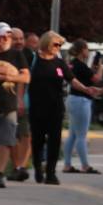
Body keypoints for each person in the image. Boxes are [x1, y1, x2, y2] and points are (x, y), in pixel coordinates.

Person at [64, 40, 103, 173]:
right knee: (81, 135)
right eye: (87, 49)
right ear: (82, 50)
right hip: (81, 101)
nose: (88, 52)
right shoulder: (81, 65)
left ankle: (67, 164)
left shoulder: (72, 64)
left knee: (72, 134)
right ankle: (85, 165)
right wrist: (101, 68)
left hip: (72, 99)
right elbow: (97, 79)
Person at [25, 31, 73, 184]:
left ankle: (51, 173)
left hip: (56, 108)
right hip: (37, 107)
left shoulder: (59, 63)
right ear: (46, 43)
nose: (58, 47)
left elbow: (71, 79)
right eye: (56, 44)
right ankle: (38, 169)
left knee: (55, 141)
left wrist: (87, 89)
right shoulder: (34, 59)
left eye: (60, 45)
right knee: (38, 141)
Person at [0, 23, 28, 188]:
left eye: (8, 36)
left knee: (6, 140)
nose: (5, 39)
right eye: (2, 36)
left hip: (9, 104)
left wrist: (11, 77)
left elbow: (26, 77)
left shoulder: (17, 55)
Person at [10, 28, 35, 181]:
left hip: (25, 101)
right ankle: (16, 166)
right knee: (11, 136)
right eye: (15, 38)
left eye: (21, 38)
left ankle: (21, 166)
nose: (19, 42)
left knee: (25, 134)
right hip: (6, 100)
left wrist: (20, 100)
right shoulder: (4, 55)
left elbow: (24, 79)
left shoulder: (28, 55)